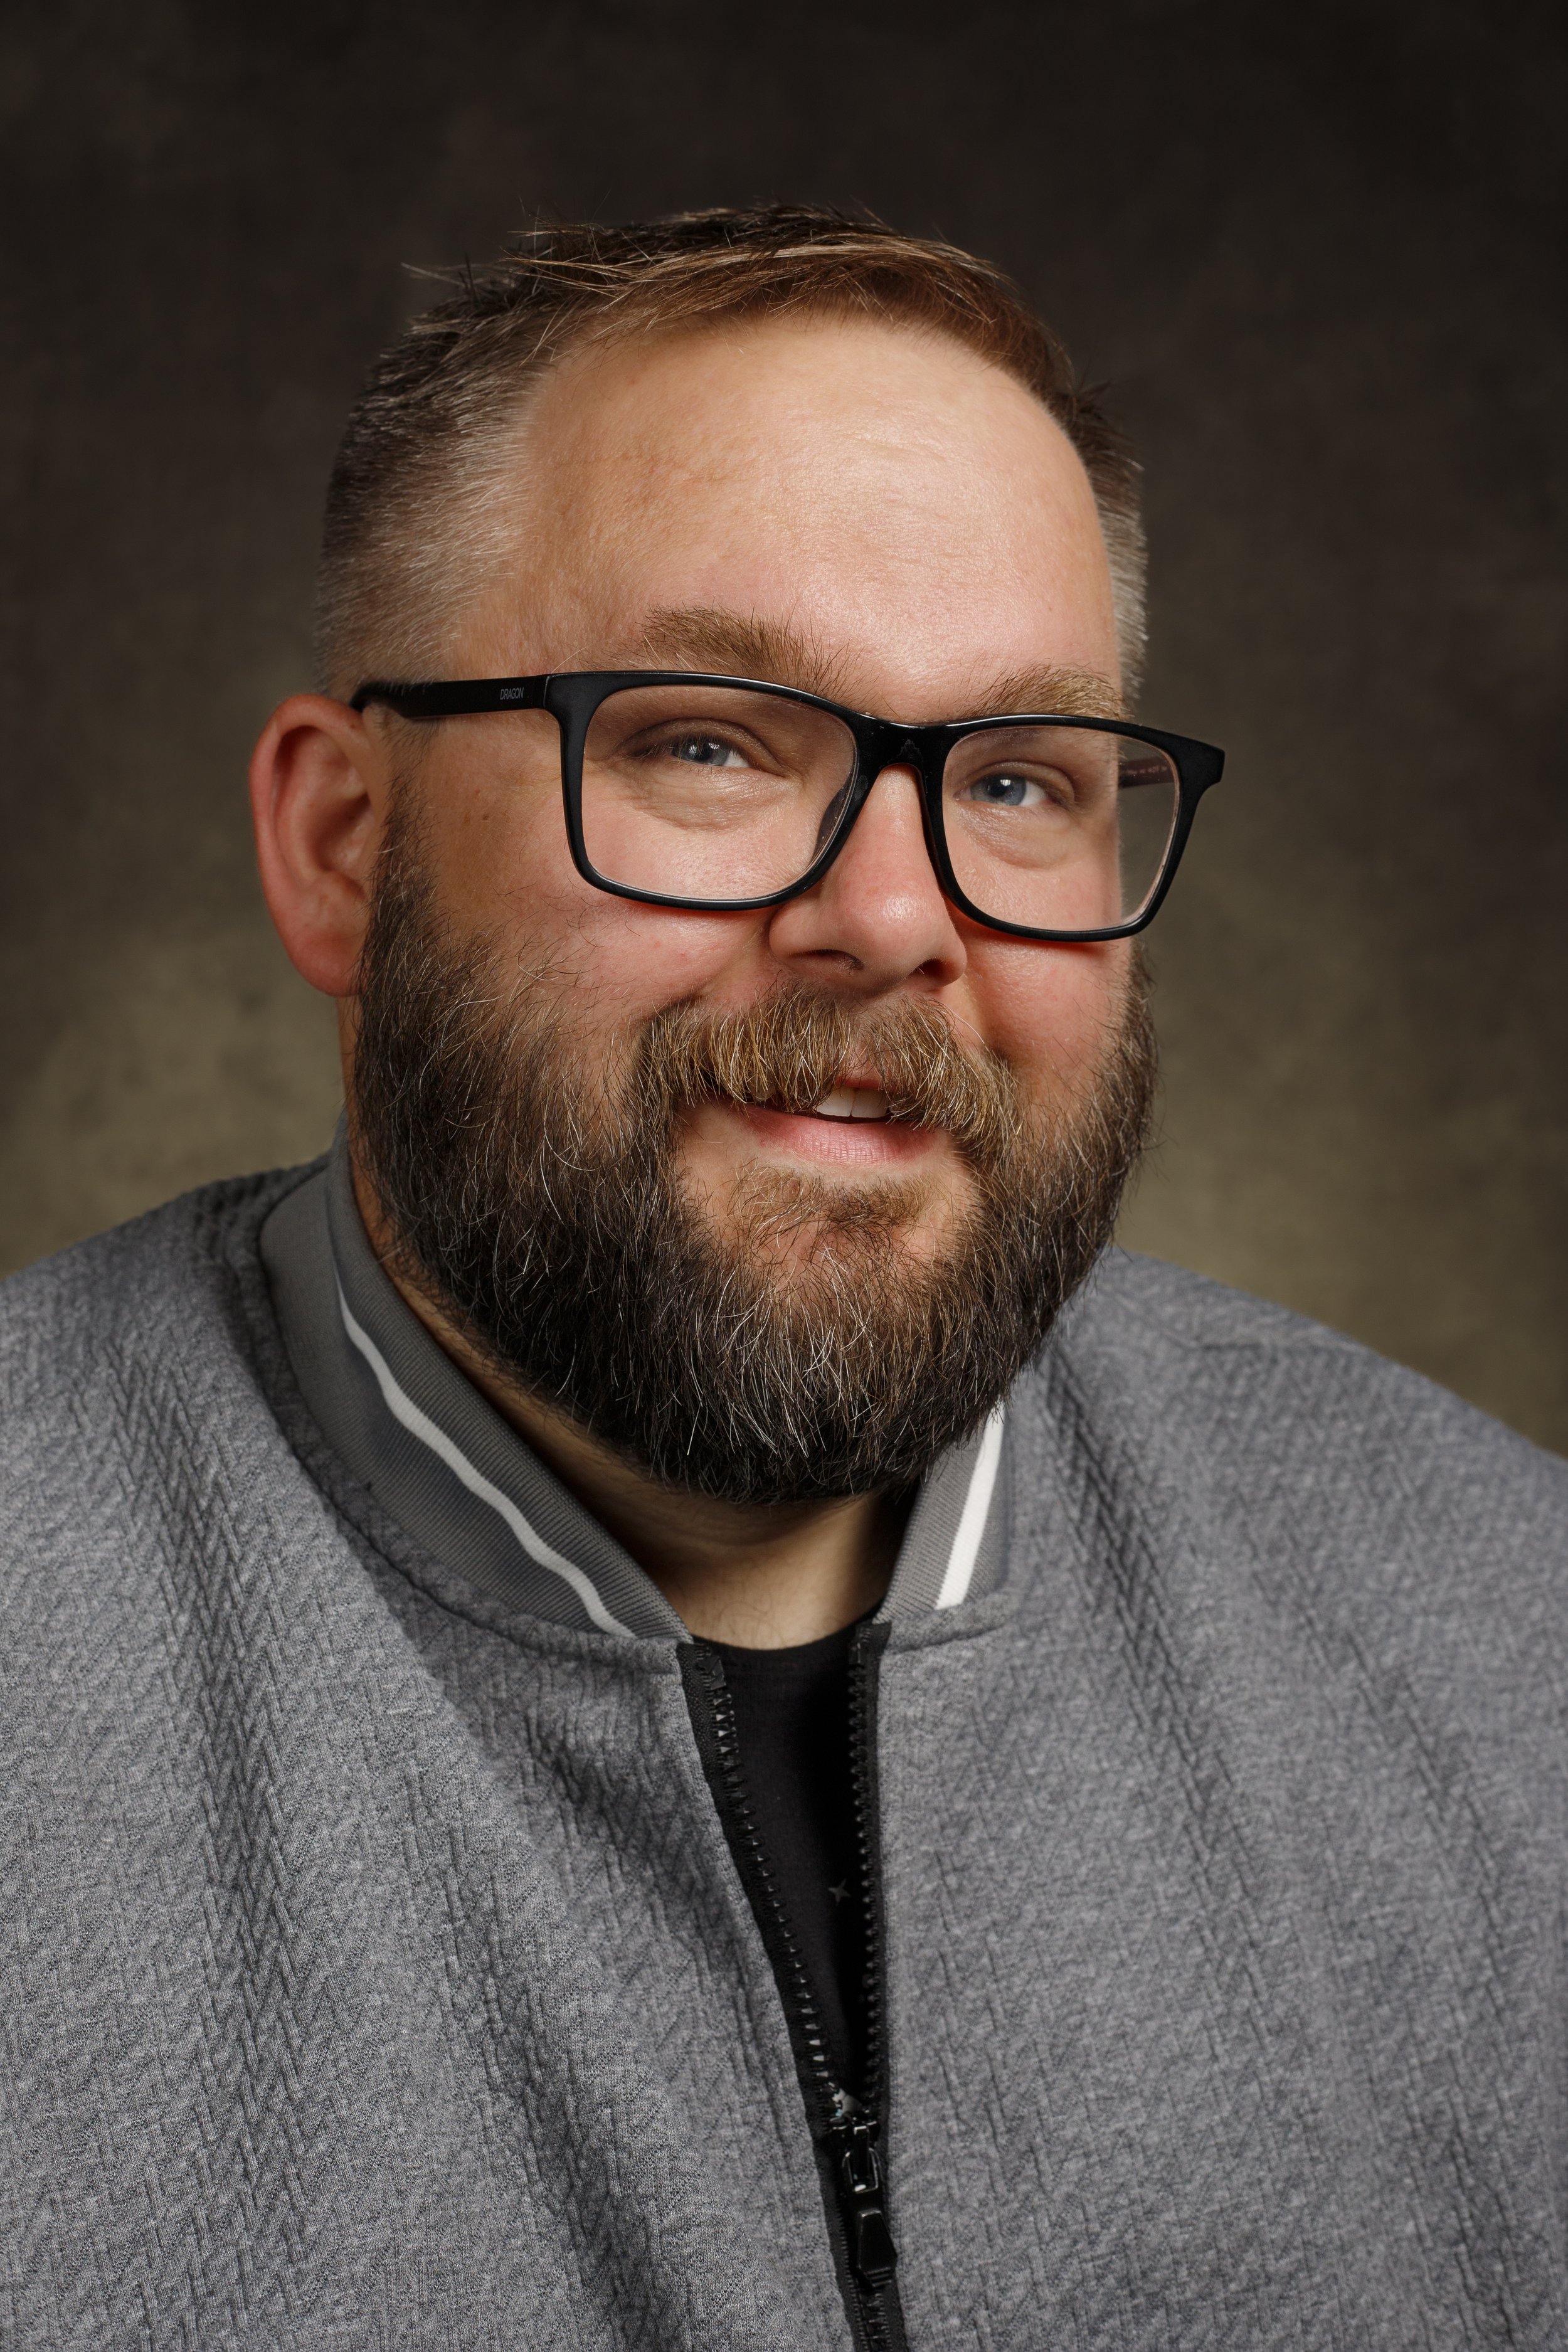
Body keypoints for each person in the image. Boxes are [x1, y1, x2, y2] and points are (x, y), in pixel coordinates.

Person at [1, 203, 1563, 2352]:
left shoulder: (1506, 1638)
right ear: (343, 845)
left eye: (1014, 780)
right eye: (709, 742)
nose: (894, 920)